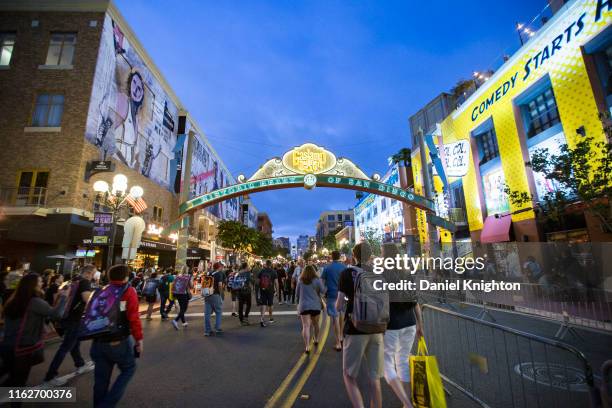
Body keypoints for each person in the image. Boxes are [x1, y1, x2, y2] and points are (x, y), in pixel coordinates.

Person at [336, 242, 384, 408]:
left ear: (354, 255)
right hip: (377, 328)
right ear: (371, 255)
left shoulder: (347, 273)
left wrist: (349, 301)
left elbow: (339, 305)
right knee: (375, 378)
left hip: (355, 328)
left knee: (349, 375)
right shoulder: (378, 272)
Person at [0, 273, 68, 389]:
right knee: (19, 382)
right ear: (34, 285)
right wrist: (63, 297)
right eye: (40, 281)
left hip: (8, 344)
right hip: (24, 347)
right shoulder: (35, 301)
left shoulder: (13, 299)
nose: (43, 283)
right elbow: (56, 314)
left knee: (11, 375)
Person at [90, 264, 143, 407]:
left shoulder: (101, 290)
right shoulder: (128, 291)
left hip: (99, 340)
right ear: (126, 277)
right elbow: (133, 317)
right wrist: (139, 339)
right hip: (118, 340)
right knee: (129, 369)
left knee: (101, 380)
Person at [381, 243, 423, 408]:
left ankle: (407, 402)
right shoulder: (406, 272)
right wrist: (420, 324)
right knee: (403, 361)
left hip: (392, 324)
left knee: (386, 364)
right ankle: (407, 403)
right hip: (410, 323)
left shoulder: (382, 273)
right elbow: (415, 300)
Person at [44, 264, 96, 386]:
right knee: (66, 347)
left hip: (65, 316)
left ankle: (80, 364)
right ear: (88, 273)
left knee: (74, 343)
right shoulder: (85, 282)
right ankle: (50, 376)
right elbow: (86, 299)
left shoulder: (72, 280)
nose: (94, 276)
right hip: (74, 318)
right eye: (93, 273)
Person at [296, 265, 324, 354]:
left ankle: (307, 346)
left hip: (304, 306)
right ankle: (316, 339)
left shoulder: (300, 281)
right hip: (315, 306)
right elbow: (323, 291)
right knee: (316, 324)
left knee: (306, 326)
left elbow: (297, 294)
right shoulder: (317, 280)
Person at [321, 250, 346, 351]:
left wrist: (322, 293)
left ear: (331, 257)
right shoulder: (344, 268)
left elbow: (322, 282)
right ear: (339, 257)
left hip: (331, 295)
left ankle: (338, 343)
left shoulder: (327, 268)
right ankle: (341, 336)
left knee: (335, 318)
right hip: (343, 294)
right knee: (341, 315)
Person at [204, 263, 224, 336]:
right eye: (221, 267)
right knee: (218, 311)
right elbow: (220, 285)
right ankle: (217, 328)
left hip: (207, 294)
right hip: (215, 294)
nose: (222, 268)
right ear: (219, 267)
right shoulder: (219, 274)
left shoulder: (209, 272)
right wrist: (221, 294)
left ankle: (207, 330)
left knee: (207, 314)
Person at [257, 260, 278, 328]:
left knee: (263, 304)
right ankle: (271, 318)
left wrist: (258, 289)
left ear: (265, 264)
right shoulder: (273, 271)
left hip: (263, 289)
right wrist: (277, 291)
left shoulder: (262, 271)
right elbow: (276, 282)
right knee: (270, 304)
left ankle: (262, 318)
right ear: (271, 264)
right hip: (270, 290)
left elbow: (258, 281)